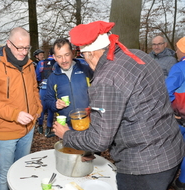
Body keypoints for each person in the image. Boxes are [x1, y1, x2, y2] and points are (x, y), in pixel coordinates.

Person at [53, 21, 185, 190]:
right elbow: (134, 106)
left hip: (144, 166)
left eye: (84, 56)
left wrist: (67, 135)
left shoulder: (107, 79)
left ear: (91, 53)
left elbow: (99, 140)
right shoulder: (138, 55)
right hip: (171, 151)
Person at [0, 27, 42, 190]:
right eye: (19, 47)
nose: (23, 52)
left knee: (21, 171)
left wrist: (38, 110)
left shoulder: (30, 65)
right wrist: (15, 114)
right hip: (6, 131)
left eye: (26, 48)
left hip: (28, 129)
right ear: (8, 43)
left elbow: (34, 89)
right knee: (4, 174)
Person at [45, 38, 92, 132]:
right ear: (54, 57)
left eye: (67, 55)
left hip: (89, 123)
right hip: (66, 127)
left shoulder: (86, 70)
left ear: (72, 53)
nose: (64, 60)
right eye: (59, 56)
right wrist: (55, 104)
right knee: (68, 147)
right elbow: (47, 100)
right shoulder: (52, 78)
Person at [165, 36, 185, 190]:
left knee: (171, 148)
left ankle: (165, 180)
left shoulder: (179, 68)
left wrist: (172, 109)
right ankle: (182, 182)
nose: (176, 51)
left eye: (178, 48)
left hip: (180, 119)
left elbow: (166, 91)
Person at [35, 48, 56, 137]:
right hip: (52, 89)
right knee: (51, 110)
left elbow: (38, 76)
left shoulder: (41, 63)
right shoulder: (57, 63)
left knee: (41, 108)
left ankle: (40, 128)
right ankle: (48, 129)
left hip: (43, 88)